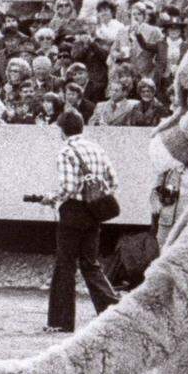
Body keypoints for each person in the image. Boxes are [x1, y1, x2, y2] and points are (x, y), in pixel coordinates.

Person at [34, 108, 120, 333]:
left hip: (72, 212)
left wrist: (51, 198)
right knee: (90, 263)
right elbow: (113, 180)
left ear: (62, 130)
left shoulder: (65, 152)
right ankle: (113, 311)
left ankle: (61, 321)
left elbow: (68, 187)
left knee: (65, 265)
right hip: (93, 210)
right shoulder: (96, 148)